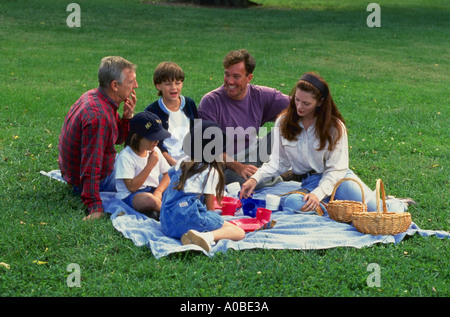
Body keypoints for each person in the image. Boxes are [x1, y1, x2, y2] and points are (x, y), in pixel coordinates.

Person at [240, 72, 415, 214]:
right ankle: (333, 209)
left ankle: (395, 203)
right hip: (309, 183)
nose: (299, 106)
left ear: (320, 103)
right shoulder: (284, 122)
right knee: (293, 203)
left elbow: (337, 169)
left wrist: (319, 194)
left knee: (379, 212)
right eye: (297, 100)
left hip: (339, 180)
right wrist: (255, 179)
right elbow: (279, 163)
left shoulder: (334, 127)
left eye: (306, 103)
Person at [58, 56, 138, 220]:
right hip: (88, 181)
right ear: (115, 85)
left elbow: (116, 139)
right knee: (150, 175)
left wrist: (127, 118)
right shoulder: (99, 117)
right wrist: (94, 205)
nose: (136, 86)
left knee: (142, 161)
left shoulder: (96, 96)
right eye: (131, 82)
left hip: (75, 175)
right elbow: (91, 166)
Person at [198, 49, 290, 188]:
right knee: (244, 182)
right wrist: (238, 167)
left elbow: (299, 106)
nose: (230, 81)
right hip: (225, 164)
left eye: (236, 76)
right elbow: (209, 150)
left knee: (288, 127)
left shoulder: (261, 95)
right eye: (226, 74)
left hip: (255, 152)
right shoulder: (210, 102)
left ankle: (299, 167)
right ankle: (281, 177)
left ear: (249, 78)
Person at [160, 120, 245, 252]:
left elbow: (172, 181)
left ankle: (192, 236)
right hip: (186, 220)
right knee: (238, 232)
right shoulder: (211, 171)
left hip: (166, 223)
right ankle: (204, 236)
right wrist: (216, 222)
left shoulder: (183, 162)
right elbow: (211, 208)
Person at [114, 112, 171, 220]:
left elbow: (168, 174)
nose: (157, 142)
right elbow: (131, 187)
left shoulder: (154, 150)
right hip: (132, 196)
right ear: (136, 137)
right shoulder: (126, 157)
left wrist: (158, 191)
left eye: (158, 137)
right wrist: (150, 165)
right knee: (149, 200)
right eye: (152, 138)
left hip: (153, 190)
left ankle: (155, 210)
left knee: (181, 186)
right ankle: (170, 213)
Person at [145, 61, 198, 166]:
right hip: (166, 161)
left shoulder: (189, 104)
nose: (174, 87)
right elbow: (156, 144)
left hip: (191, 159)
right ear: (158, 86)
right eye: (168, 84)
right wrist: (174, 163)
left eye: (177, 83)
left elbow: (197, 131)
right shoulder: (152, 111)